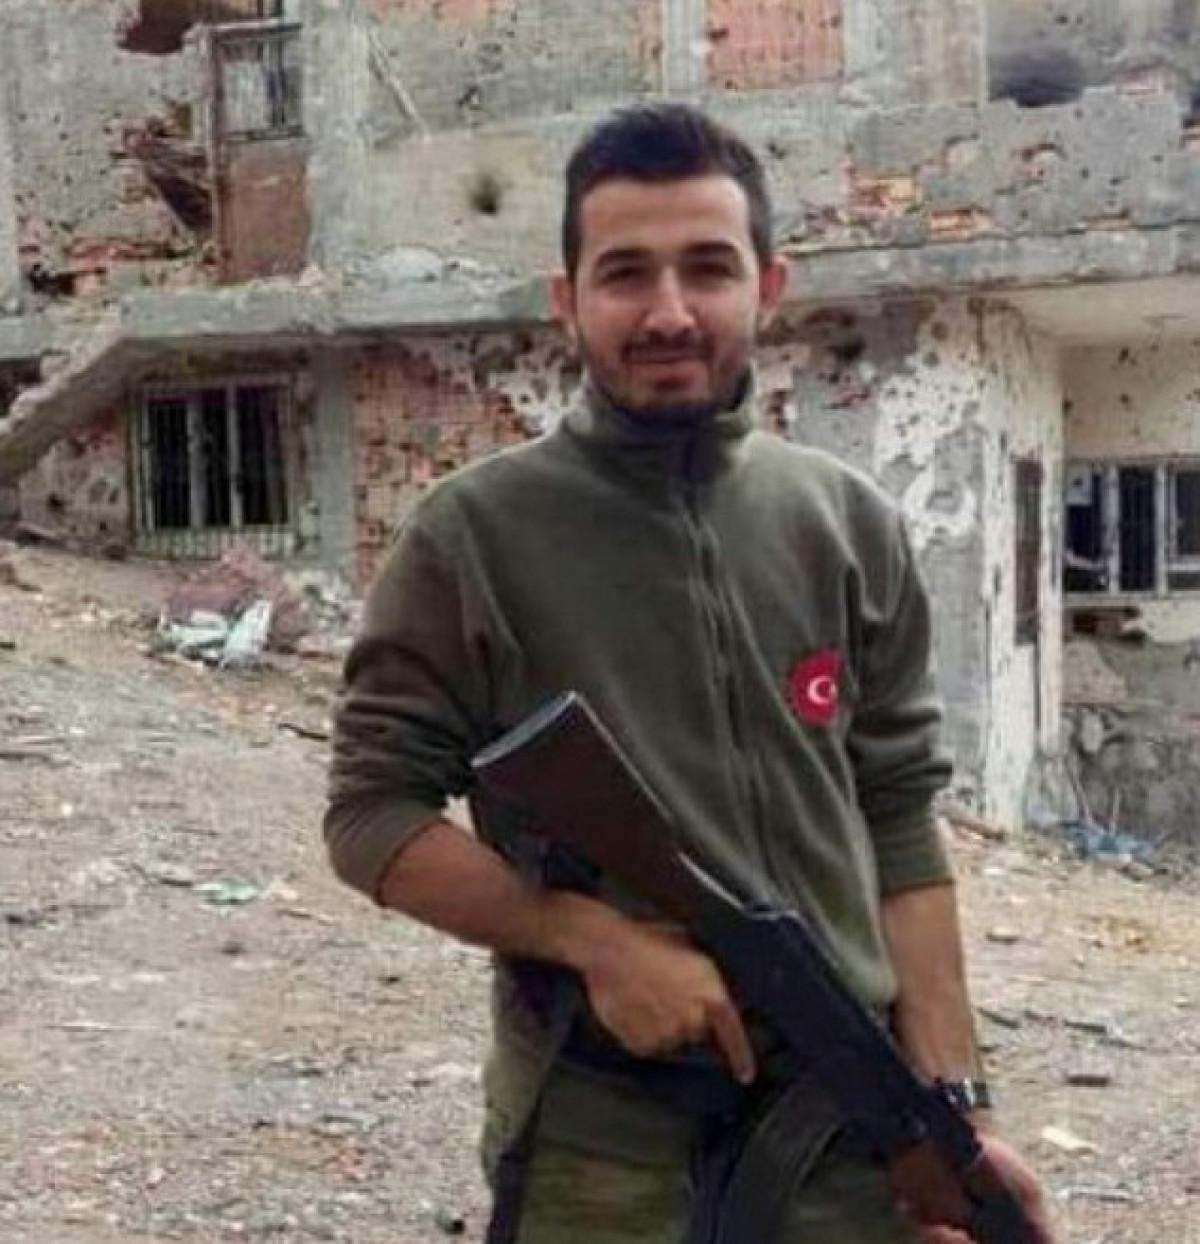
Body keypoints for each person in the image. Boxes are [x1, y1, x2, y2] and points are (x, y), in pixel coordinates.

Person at [324, 103, 1055, 1244]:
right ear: (567, 299)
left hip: (844, 1120)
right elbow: (371, 816)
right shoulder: (472, 536)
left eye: (709, 268)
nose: (669, 312)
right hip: (601, 1140)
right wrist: (589, 937)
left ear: (769, 287)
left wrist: (954, 1115)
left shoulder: (849, 522)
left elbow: (900, 820)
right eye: (626, 273)